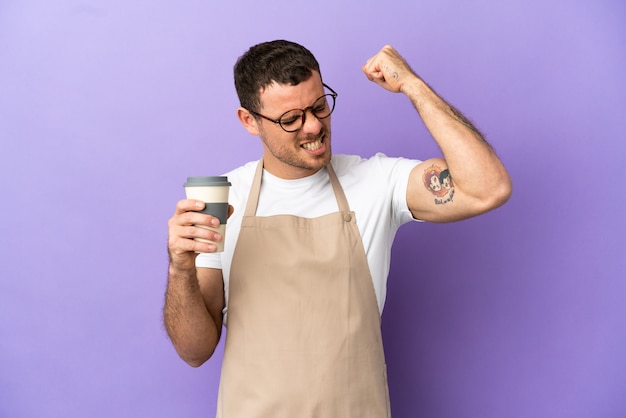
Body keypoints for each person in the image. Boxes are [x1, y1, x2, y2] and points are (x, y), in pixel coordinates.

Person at [164, 40, 512, 418]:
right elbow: (194, 351)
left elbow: (487, 188)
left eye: (318, 106)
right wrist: (180, 269)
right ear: (250, 121)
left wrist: (412, 85)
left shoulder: (377, 182)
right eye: (291, 118)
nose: (313, 125)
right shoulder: (222, 200)